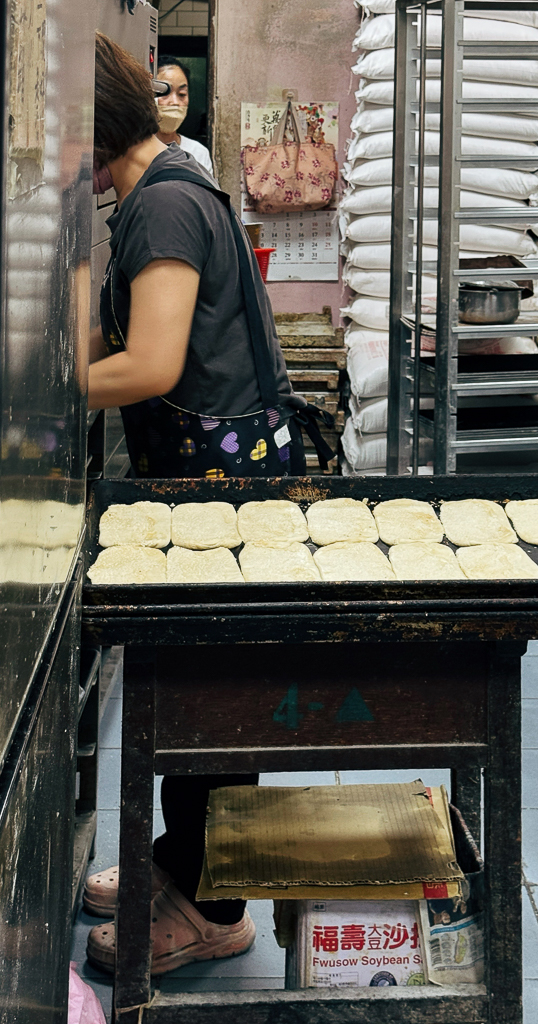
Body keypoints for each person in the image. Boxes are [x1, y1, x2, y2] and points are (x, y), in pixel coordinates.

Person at [85, 33, 331, 976]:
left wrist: (39, 389)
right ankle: (180, 861)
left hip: (220, 490)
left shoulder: (165, 206)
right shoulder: (163, 189)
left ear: (88, 131)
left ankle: (212, 908)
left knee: (210, 702)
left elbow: (152, 365)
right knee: (193, 691)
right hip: (208, 481)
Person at [155, 55, 213, 174]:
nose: (175, 102)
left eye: (182, 94)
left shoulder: (198, 153)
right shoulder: (133, 151)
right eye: (165, 93)